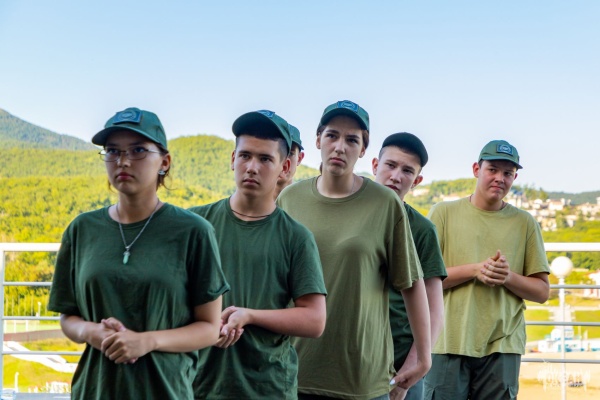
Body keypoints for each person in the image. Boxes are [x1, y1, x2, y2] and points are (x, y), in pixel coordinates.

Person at [48, 107, 229, 399]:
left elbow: (209, 328)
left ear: (164, 162)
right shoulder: (82, 229)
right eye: (112, 151)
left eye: (138, 150)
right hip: (95, 390)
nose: (123, 161)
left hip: (164, 390)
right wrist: (91, 332)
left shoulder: (193, 231)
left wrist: (147, 341)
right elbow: (68, 316)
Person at [278, 100, 431, 400]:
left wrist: (423, 358)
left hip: (362, 378)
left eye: (351, 140)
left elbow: (412, 284)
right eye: (332, 135)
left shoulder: (385, 204)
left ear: (363, 150)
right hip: (296, 371)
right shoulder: (290, 199)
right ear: (318, 139)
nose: (340, 147)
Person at [189, 109, 327, 399]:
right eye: (245, 156)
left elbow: (315, 320)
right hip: (197, 385)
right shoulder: (195, 225)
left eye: (265, 159)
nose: (252, 167)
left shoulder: (296, 237)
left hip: (268, 388)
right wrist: (206, 325)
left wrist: (249, 316)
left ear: (284, 167)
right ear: (232, 159)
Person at [424, 140, 550, 400]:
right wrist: (475, 270)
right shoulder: (443, 213)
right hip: (446, 340)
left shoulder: (525, 223)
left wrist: (507, 277)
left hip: (503, 345)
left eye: (508, 173)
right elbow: (424, 282)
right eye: (492, 169)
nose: (499, 178)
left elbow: (541, 292)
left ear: (515, 178)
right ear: (476, 169)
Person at [372, 133, 447, 400]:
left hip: (401, 364)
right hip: (350, 360)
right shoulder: (346, 214)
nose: (396, 176)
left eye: (407, 171)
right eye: (390, 165)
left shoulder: (422, 230)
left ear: (417, 181)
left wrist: (410, 372)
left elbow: (434, 309)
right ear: (375, 165)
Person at [275, 123, 305, 198]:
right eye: (277, 151)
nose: (283, 160)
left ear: (299, 158)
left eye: (290, 153)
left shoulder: (307, 201)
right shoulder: (250, 198)